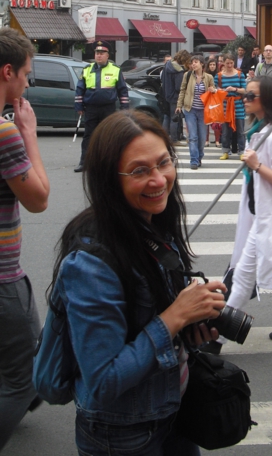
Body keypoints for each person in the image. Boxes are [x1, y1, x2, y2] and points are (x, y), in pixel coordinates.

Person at [45, 111, 226, 456]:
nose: (159, 180)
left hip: (174, 411)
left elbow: (146, 324)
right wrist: (174, 317)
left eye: (164, 163)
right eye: (140, 171)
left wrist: (189, 329)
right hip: (122, 432)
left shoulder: (153, 224)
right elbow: (102, 380)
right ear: (110, 180)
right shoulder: (92, 263)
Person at [206, 76, 272, 354]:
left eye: (250, 96)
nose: (245, 99)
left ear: (267, 100)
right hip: (263, 214)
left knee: (242, 278)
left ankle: (216, 341)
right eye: (245, 94)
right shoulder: (263, 129)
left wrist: (257, 164)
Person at [0, 28, 50, 451]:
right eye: (27, 75)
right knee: (25, 376)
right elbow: (39, 199)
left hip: (10, 278)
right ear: (7, 72)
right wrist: (29, 133)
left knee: (30, 345)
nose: (28, 84)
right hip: (2, 278)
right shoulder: (4, 132)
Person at [74, 40, 129, 172]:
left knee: (108, 136)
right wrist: (79, 106)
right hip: (91, 108)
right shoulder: (87, 69)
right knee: (89, 136)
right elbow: (79, 89)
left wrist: (124, 108)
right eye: (97, 53)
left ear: (107, 55)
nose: (99, 55)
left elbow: (122, 90)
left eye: (102, 53)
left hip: (108, 108)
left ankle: (108, 163)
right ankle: (84, 162)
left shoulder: (115, 70)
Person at [176, 55, 215, 170]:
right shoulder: (187, 75)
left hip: (203, 110)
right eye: (192, 62)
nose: (193, 64)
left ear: (202, 64)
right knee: (193, 136)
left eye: (196, 62)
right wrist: (179, 105)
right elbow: (182, 90)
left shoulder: (208, 77)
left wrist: (213, 90)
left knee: (202, 137)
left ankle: (199, 157)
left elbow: (214, 91)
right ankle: (194, 160)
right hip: (190, 109)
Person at [215, 54, 247, 160]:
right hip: (225, 106)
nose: (229, 65)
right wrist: (222, 91)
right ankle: (225, 151)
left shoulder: (239, 74)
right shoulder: (219, 75)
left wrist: (234, 89)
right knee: (225, 131)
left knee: (240, 130)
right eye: (227, 63)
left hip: (238, 105)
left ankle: (242, 151)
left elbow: (245, 90)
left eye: (231, 63)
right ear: (223, 63)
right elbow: (215, 90)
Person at [161, 49, 190, 144]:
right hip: (174, 96)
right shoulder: (178, 70)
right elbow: (179, 87)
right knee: (175, 118)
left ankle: (164, 138)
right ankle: (174, 139)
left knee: (167, 117)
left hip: (166, 94)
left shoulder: (167, 65)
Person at [206, 59, 222, 147]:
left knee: (216, 121)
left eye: (214, 65)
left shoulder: (219, 75)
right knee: (207, 121)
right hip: (207, 99)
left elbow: (220, 87)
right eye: (210, 65)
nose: (212, 66)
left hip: (216, 99)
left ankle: (217, 140)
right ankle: (206, 140)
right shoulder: (205, 76)